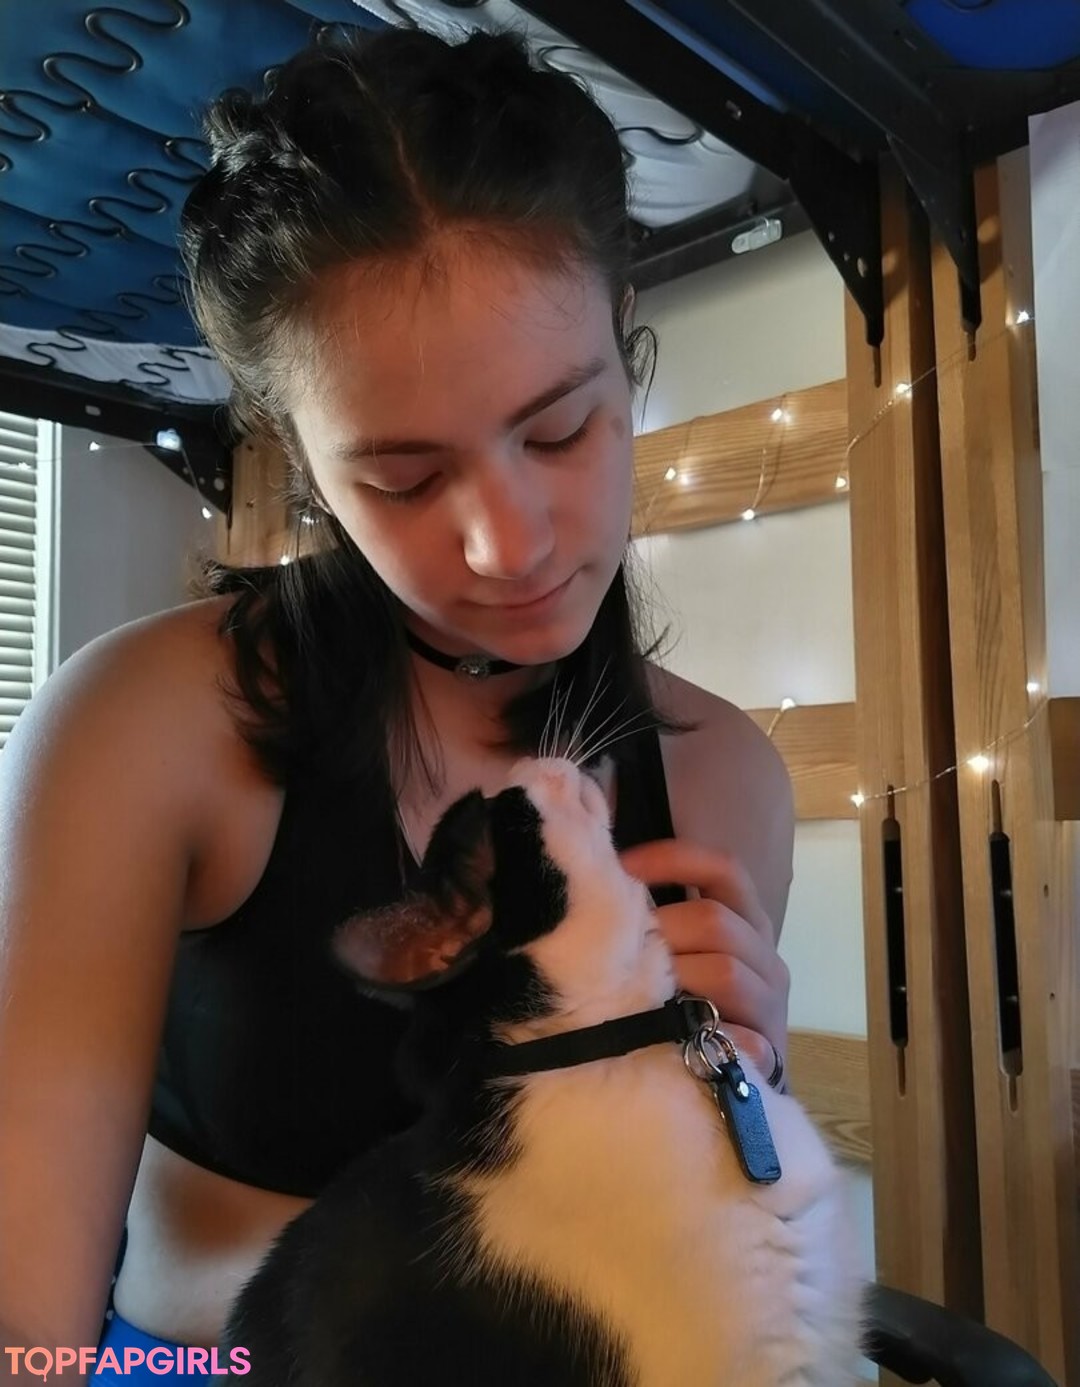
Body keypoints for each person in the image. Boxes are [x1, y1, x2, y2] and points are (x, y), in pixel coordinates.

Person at [0, 23, 794, 1385]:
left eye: (560, 429)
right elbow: (28, 1326)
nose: (510, 544)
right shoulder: (143, 726)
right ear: (303, 462)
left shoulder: (723, 775)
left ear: (627, 349)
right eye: (406, 480)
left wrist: (739, 1109)